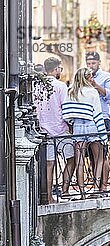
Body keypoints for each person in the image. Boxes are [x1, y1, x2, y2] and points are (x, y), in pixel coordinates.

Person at [62, 68, 107, 199]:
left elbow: (66, 113)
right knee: (98, 159)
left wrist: (73, 122)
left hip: (78, 128)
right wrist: (103, 135)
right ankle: (96, 189)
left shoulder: (71, 91)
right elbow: (97, 113)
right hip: (92, 126)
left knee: (79, 162)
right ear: (88, 78)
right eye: (91, 77)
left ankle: (82, 193)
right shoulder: (92, 92)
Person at [36, 57, 75, 203]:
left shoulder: (37, 85)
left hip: (44, 130)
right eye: (60, 68)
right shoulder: (60, 86)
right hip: (60, 129)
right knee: (72, 159)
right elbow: (66, 109)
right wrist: (70, 124)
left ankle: (48, 197)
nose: (60, 71)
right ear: (56, 69)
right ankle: (64, 190)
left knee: (49, 164)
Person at [85, 52, 110, 194]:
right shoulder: (83, 76)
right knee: (92, 156)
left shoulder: (107, 77)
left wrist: (95, 85)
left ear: (99, 63)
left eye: (93, 63)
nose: (91, 66)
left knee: (102, 155)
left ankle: (104, 186)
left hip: (102, 118)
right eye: (88, 63)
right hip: (88, 119)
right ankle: (96, 183)